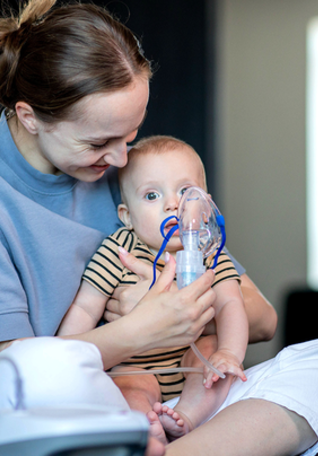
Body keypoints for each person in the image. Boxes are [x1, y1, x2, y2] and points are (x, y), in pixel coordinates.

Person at [0, 0, 318, 456]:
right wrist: (140, 329)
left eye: (129, 136)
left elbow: (262, 318)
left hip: (151, 391)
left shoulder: (131, 177)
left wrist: (173, 305)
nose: (122, 158)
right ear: (30, 117)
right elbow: (15, 372)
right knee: (43, 370)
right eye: (100, 141)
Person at [58, 135, 249, 442]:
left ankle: (186, 417)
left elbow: (230, 304)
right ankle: (146, 431)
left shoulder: (210, 251)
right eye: (151, 196)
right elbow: (85, 306)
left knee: (215, 359)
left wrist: (229, 352)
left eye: (186, 191)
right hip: (135, 365)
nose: (173, 204)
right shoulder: (120, 251)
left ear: (207, 204)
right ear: (127, 217)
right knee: (129, 387)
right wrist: (67, 352)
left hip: (191, 357)